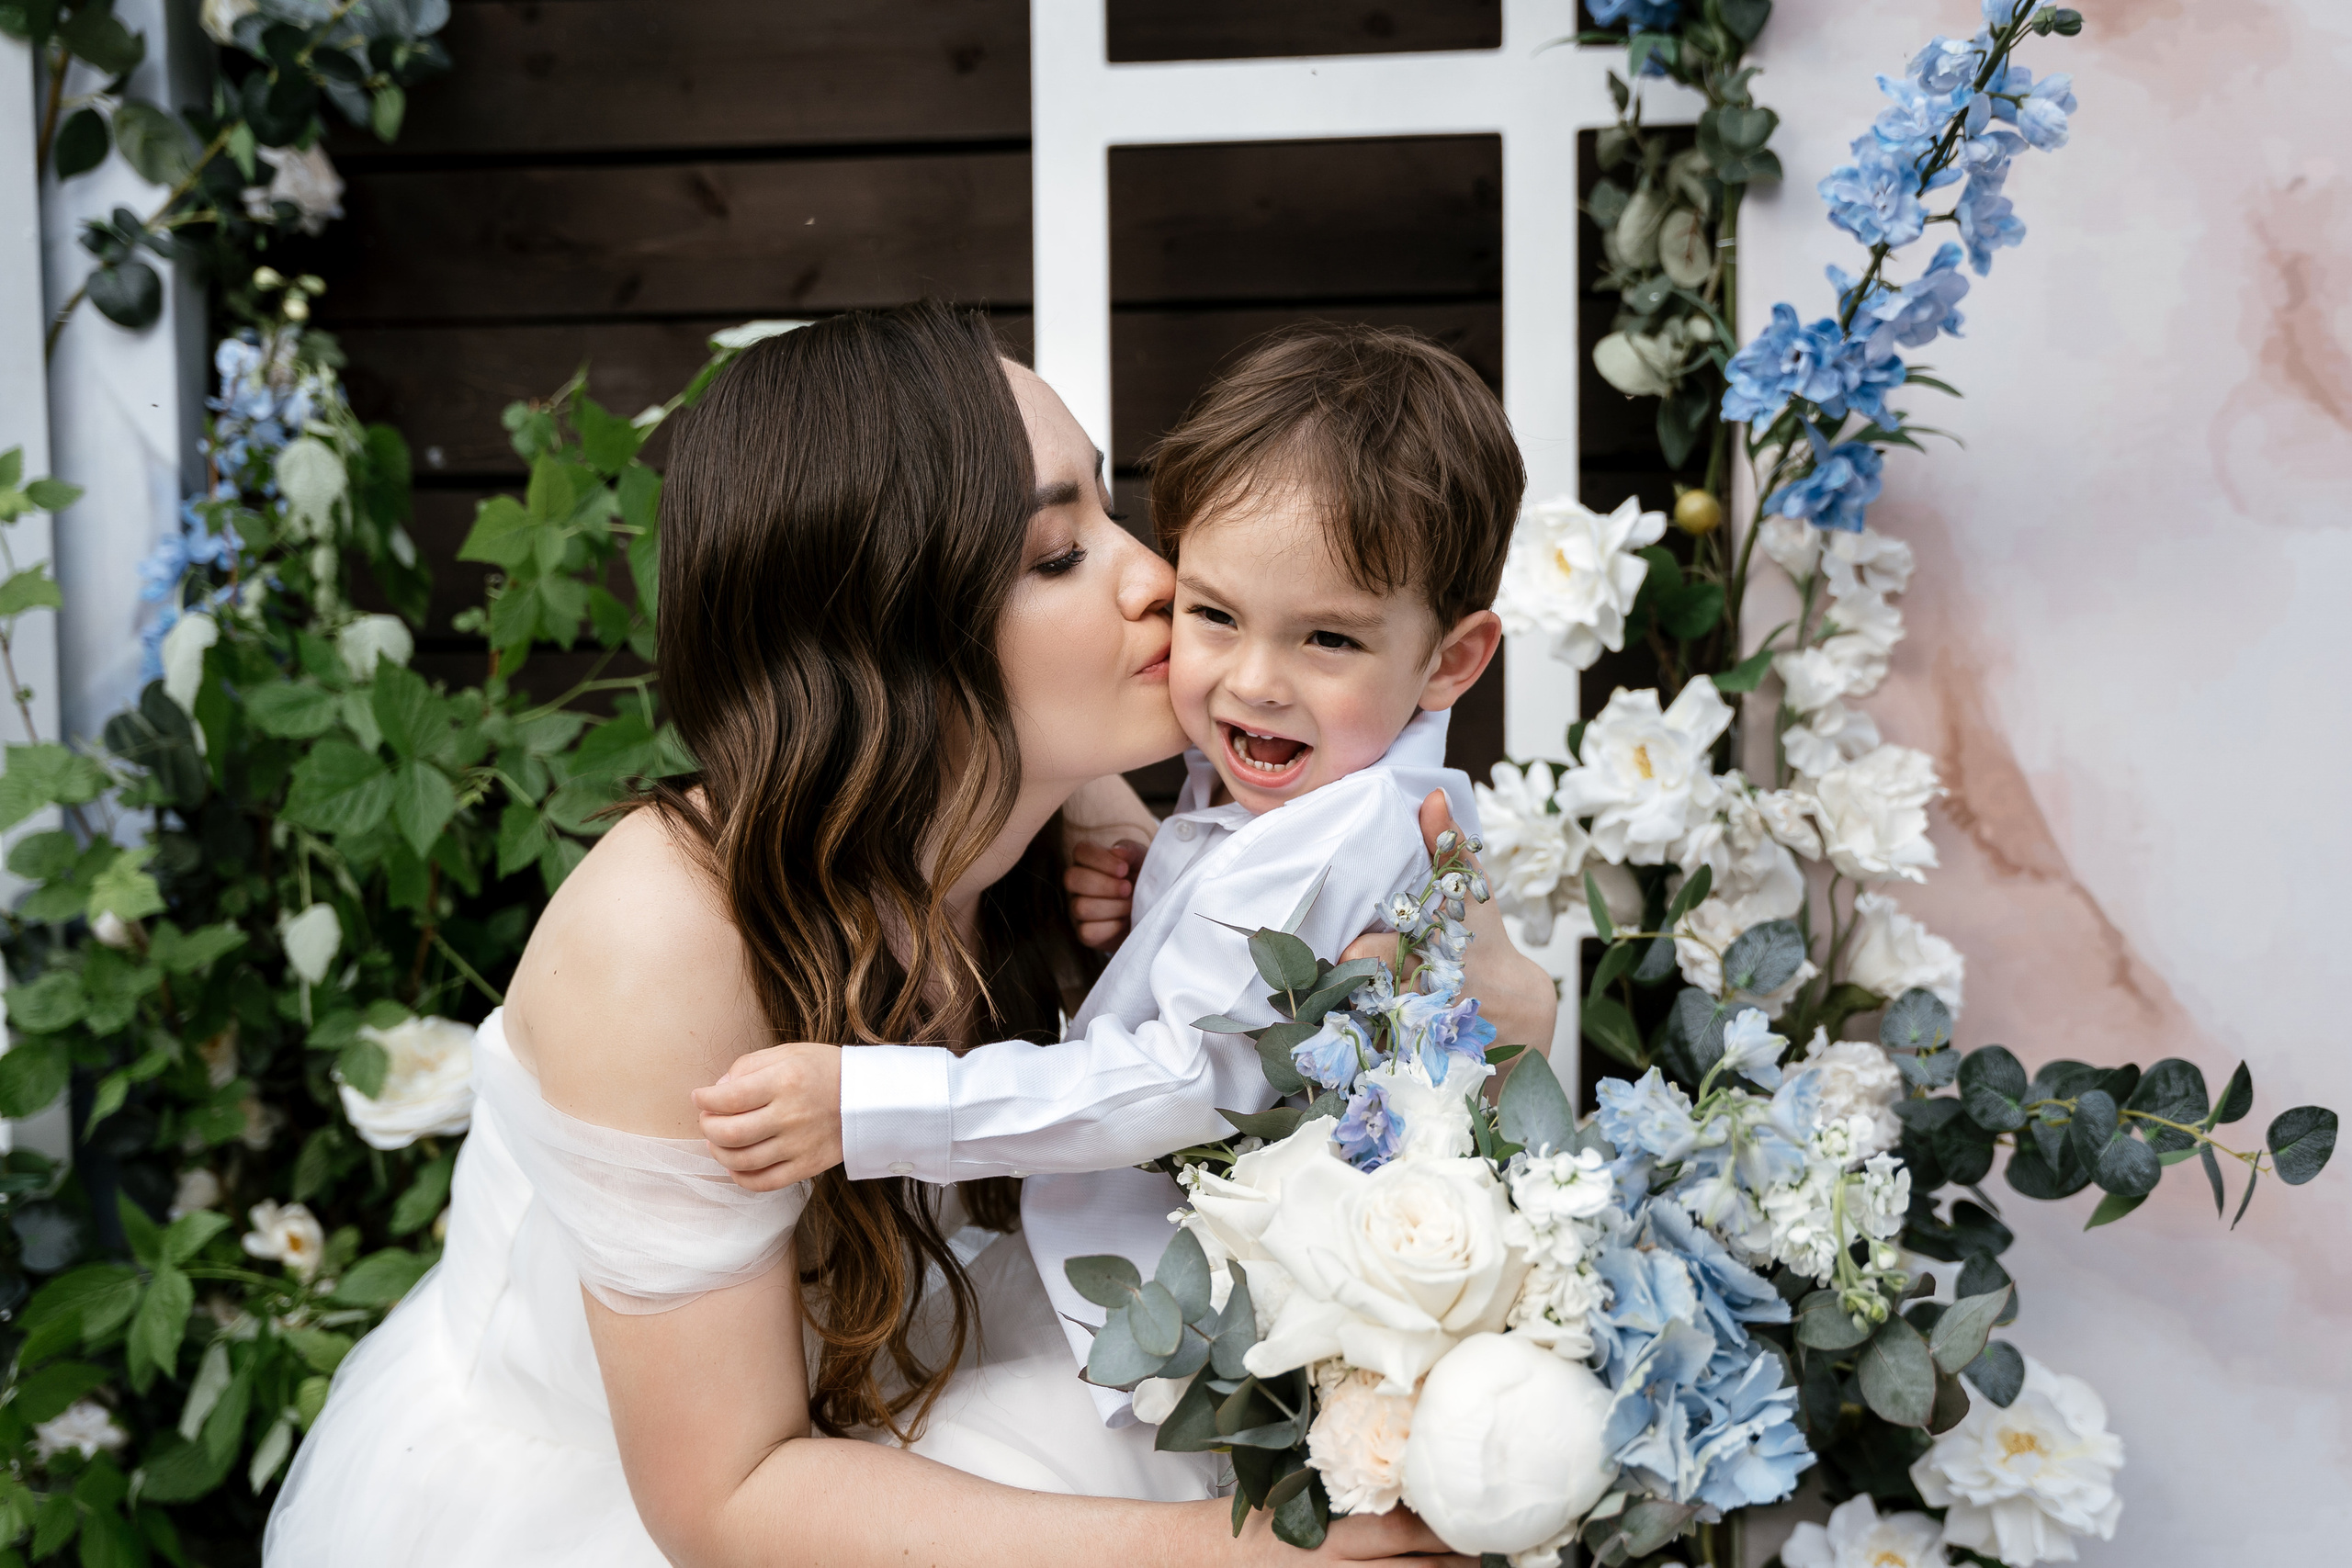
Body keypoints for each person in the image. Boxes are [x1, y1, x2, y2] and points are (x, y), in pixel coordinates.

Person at [265, 303, 1554, 1567]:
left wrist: (1499, 1024)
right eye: (1061, 553)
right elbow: (722, 1503)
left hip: (918, 1395)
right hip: (660, 1496)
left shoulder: (1079, 814)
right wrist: (1236, 1557)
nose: (1157, 579)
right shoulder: (660, 944)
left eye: (1113, 511)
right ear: (887, 634)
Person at [694, 325, 1532, 1431]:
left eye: (1327, 639)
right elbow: (1247, 987)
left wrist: (871, 1104)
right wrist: (1157, 895)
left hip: (1174, 1339)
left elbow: (1174, 1082)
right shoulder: (1304, 789)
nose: (1255, 681)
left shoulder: (1337, 834)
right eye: (1215, 614)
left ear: (1453, 660)